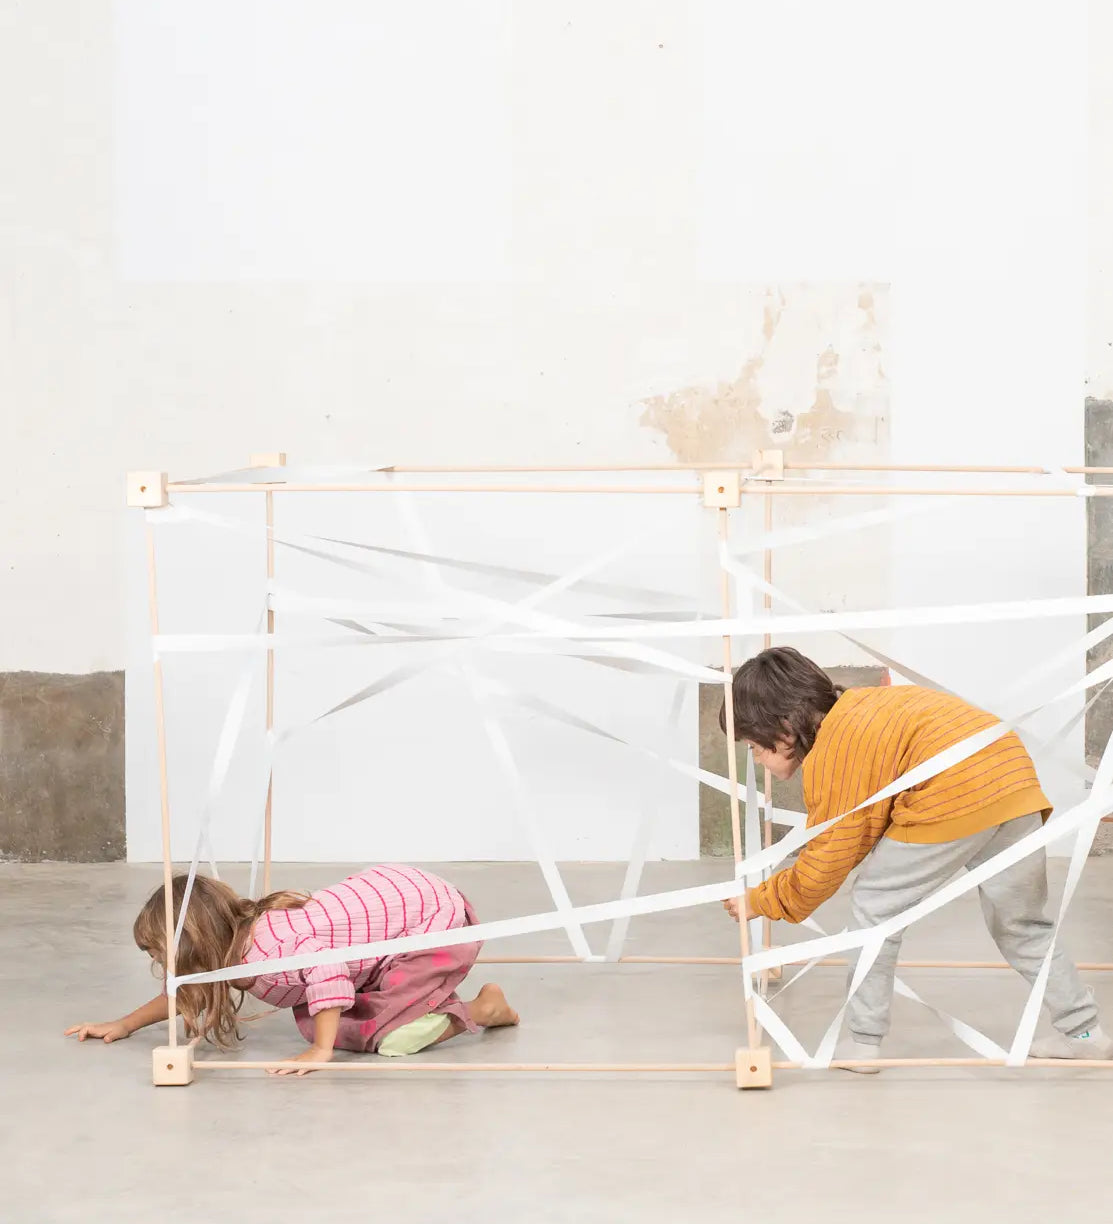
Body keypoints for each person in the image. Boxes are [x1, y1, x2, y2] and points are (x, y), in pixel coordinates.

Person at [720, 645, 1111, 1071]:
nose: (757, 760)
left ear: (784, 728)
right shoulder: (866, 706)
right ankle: (1084, 1033)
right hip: (1012, 780)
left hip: (953, 793)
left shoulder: (836, 749)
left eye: (753, 747)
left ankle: (863, 1043)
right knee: (1024, 925)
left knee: (874, 908)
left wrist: (762, 900)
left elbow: (828, 860)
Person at [65, 865, 518, 1074]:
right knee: (317, 1019)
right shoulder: (232, 946)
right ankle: (412, 1002)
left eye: (161, 955)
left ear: (196, 948)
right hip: (396, 900)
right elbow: (184, 990)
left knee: (385, 1038)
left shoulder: (270, 957)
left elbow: (327, 970)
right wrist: (125, 1024)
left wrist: (321, 1052)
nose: (159, 966)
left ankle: (483, 1009)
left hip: (432, 922)